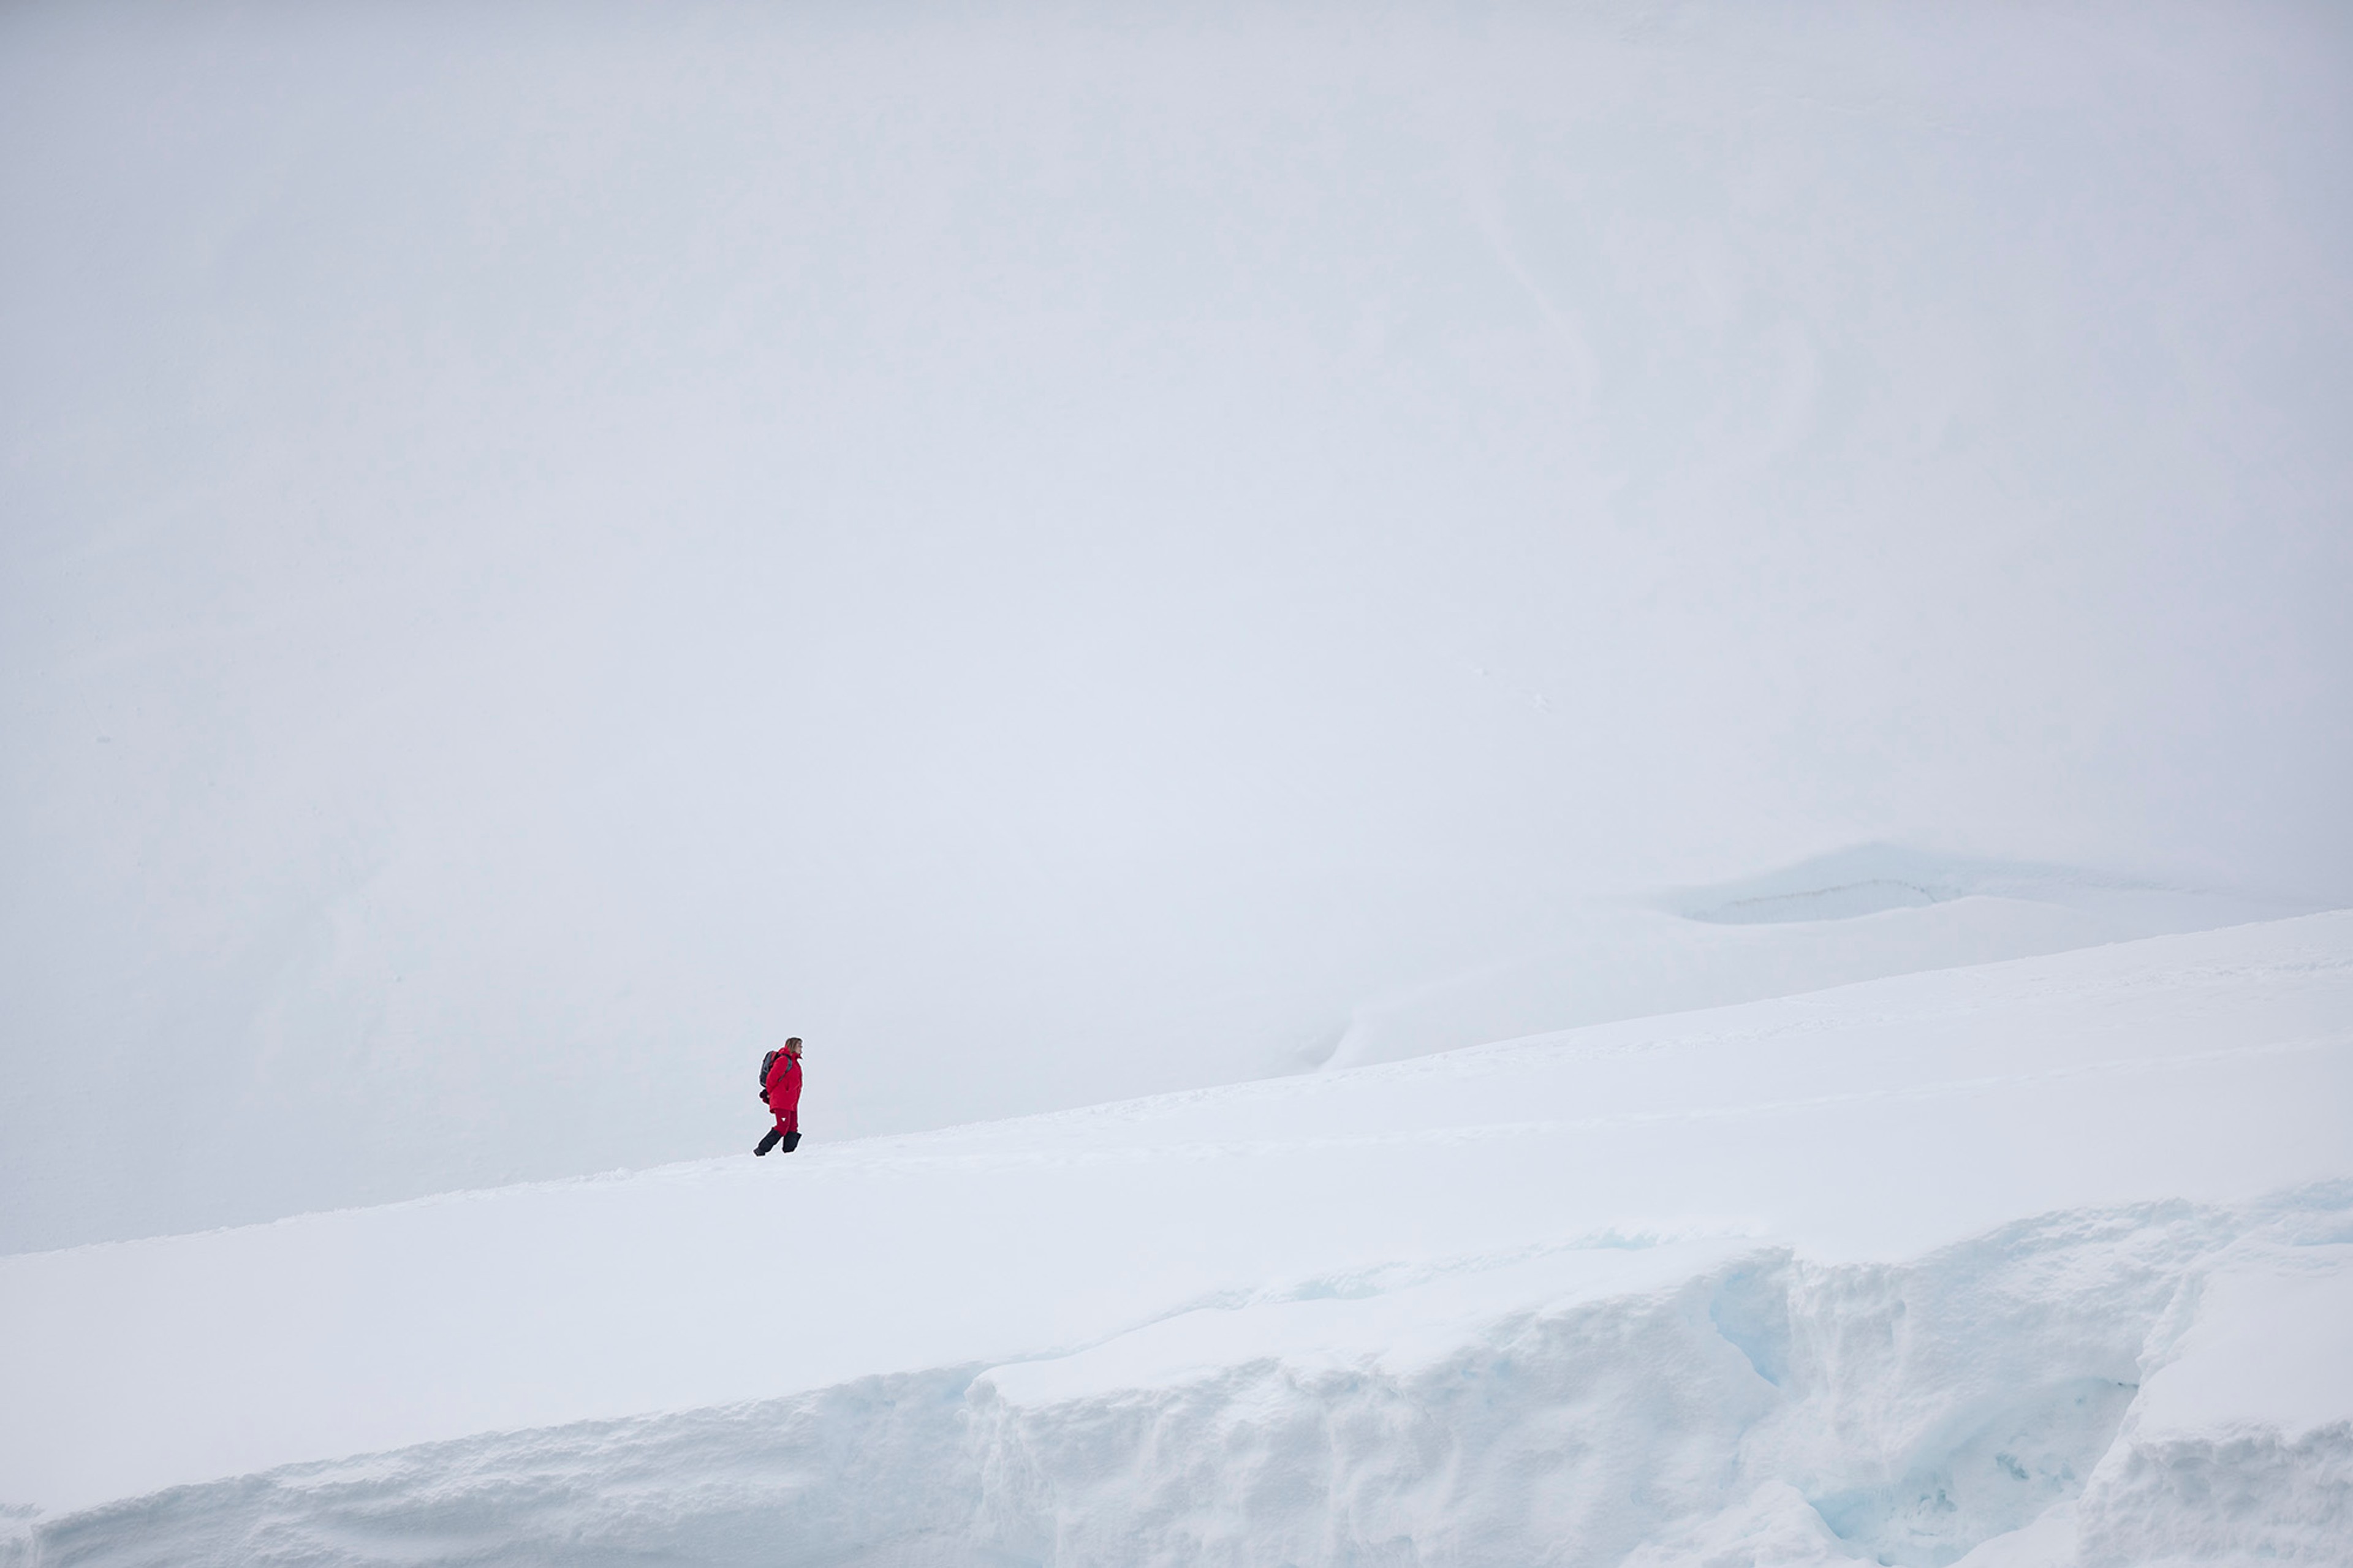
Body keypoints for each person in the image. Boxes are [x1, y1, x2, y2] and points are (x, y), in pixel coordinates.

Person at [755, 1037, 804, 1156]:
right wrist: (772, 1095)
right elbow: (771, 1079)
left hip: (792, 1102)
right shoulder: (783, 1061)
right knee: (782, 1127)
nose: (801, 1049)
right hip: (782, 1101)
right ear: (793, 1046)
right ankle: (761, 1150)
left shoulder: (795, 1063)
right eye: (799, 1046)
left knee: (793, 1127)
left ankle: (789, 1154)